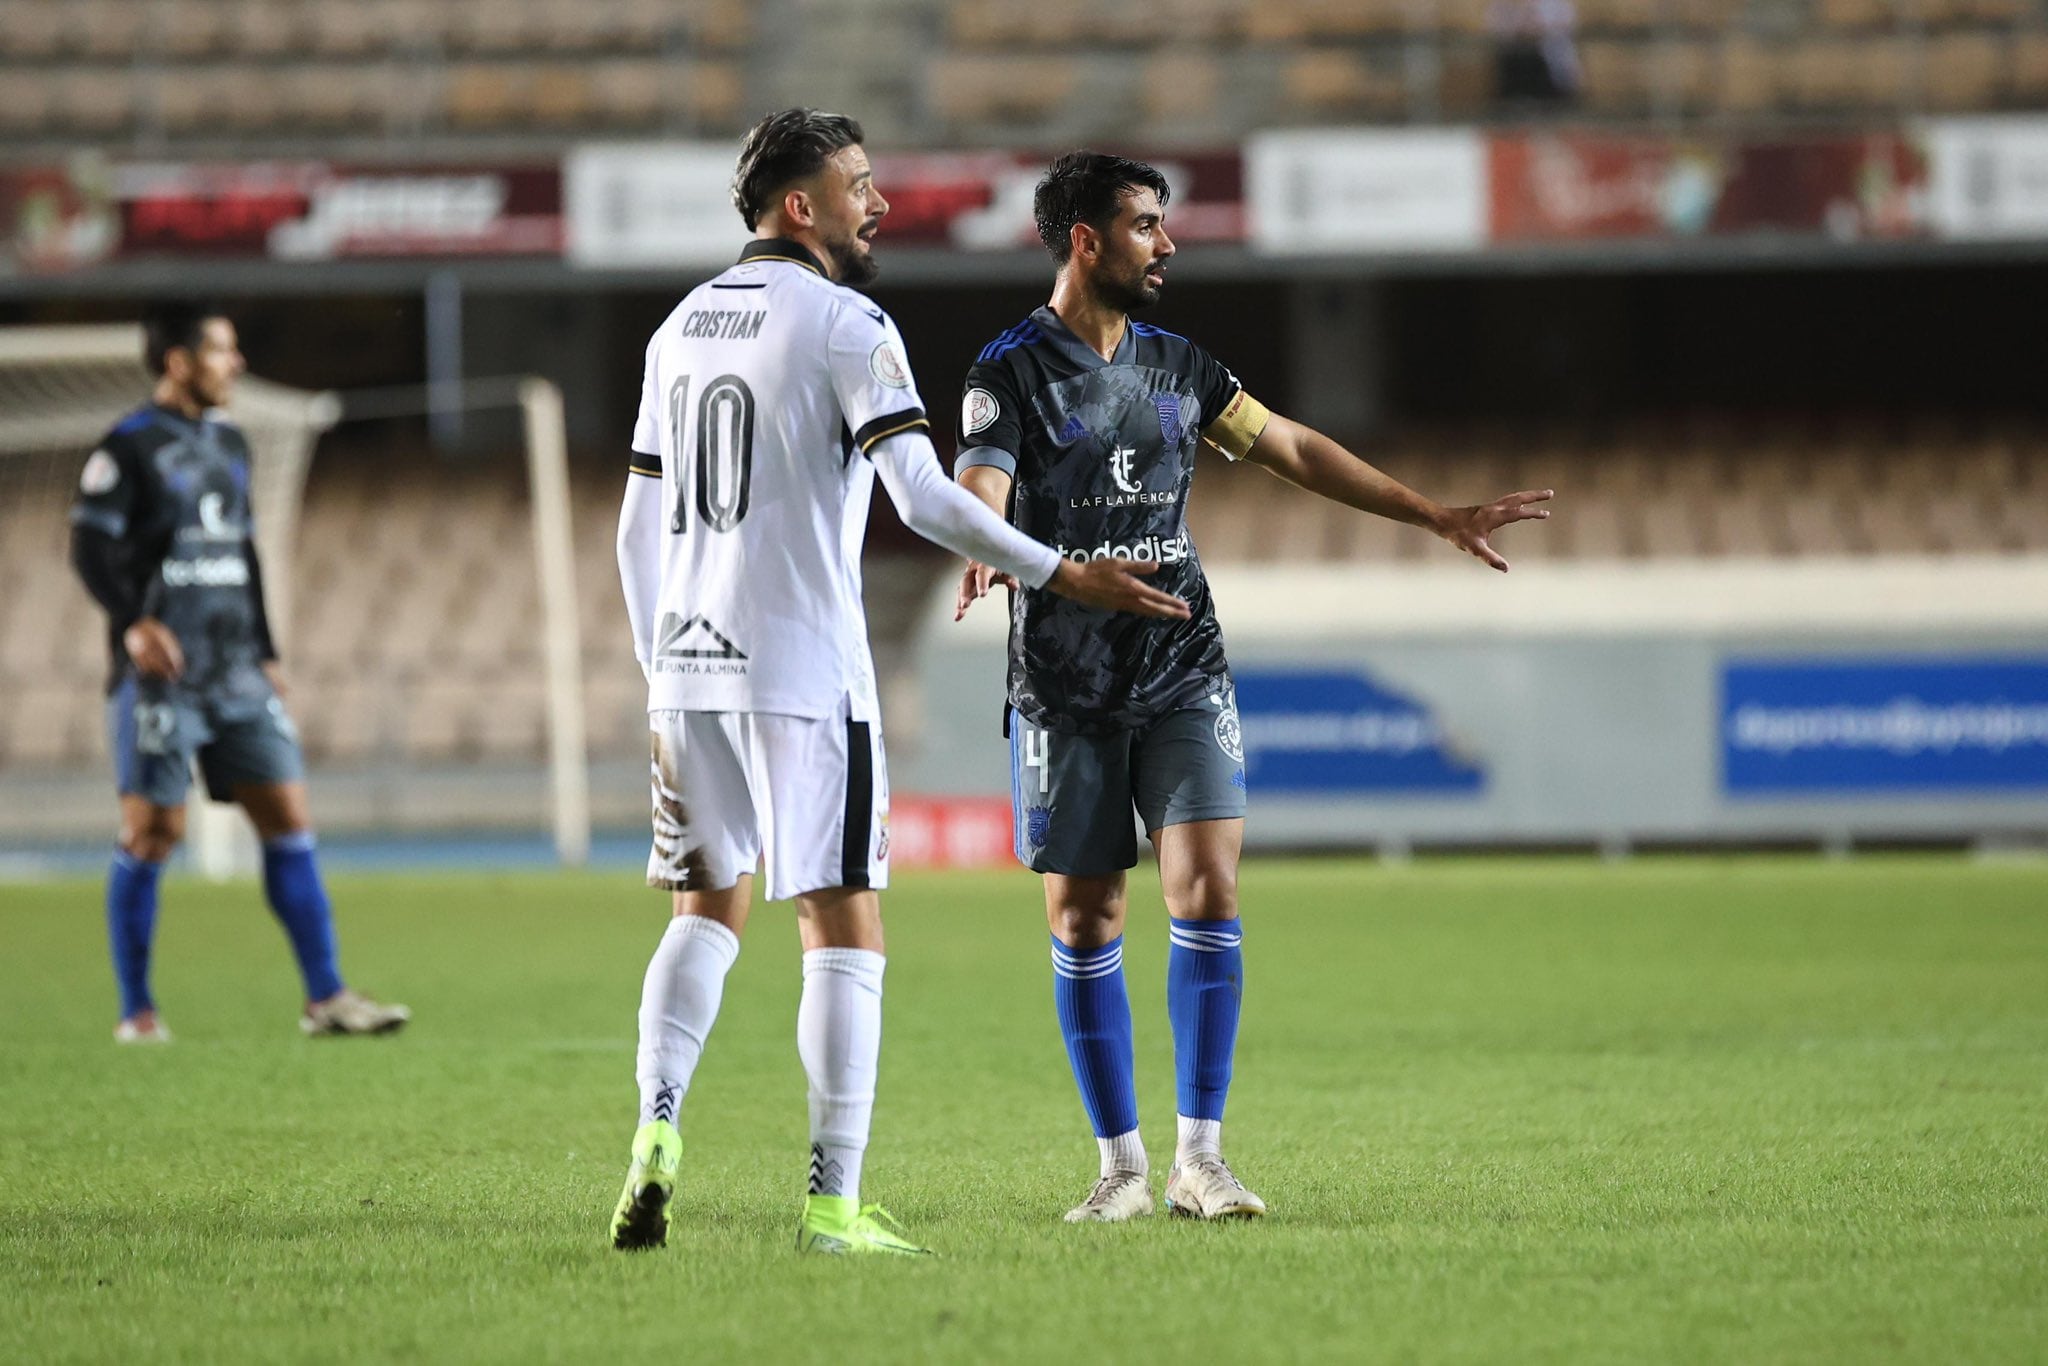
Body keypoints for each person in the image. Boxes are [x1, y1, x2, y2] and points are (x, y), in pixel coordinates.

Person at [610, 111, 1186, 1258]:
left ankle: (656, 1131)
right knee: (843, 925)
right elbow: (920, 498)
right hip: (803, 669)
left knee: (701, 907)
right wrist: (1059, 569)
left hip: (686, 668)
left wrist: (656, 661)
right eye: (858, 186)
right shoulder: (844, 321)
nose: (878, 204)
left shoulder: (678, 328)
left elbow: (636, 525)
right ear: (798, 209)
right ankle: (831, 1201)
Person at [952, 152, 1552, 1223]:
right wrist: (985, 536)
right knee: (1087, 919)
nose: (1166, 243)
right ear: (1085, 239)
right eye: (1144, 224)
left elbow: (1288, 445)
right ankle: (1118, 1169)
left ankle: (1199, 1159)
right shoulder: (1009, 369)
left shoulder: (1182, 366)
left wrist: (1433, 514)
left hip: (1182, 662)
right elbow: (980, 476)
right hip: (1064, 683)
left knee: (1209, 889)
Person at [68, 303, 411, 1044]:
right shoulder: (126, 448)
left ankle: (326, 998)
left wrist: (266, 649)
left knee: (288, 817)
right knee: (153, 831)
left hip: (236, 673)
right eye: (222, 351)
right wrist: (134, 619)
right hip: (165, 677)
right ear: (178, 362)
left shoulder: (231, 442)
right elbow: (90, 550)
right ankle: (138, 1013)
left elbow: (244, 554)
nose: (237, 363)